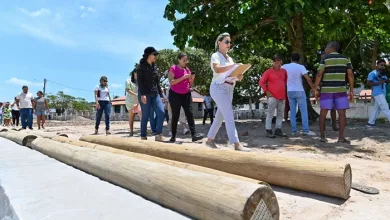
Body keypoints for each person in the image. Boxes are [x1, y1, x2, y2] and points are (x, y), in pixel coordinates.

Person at [205, 33, 249, 151]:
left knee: (220, 116)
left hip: (229, 88)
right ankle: (236, 143)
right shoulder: (216, 55)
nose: (229, 44)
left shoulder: (230, 59)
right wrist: (233, 67)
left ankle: (209, 140)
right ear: (219, 42)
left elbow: (231, 75)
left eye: (230, 42)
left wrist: (238, 76)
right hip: (218, 87)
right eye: (226, 42)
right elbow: (217, 69)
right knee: (229, 115)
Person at [314, 41, 354, 143]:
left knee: (323, 113)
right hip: (340, 89)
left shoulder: (325, 59)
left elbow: (319, 74)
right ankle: (341, 137)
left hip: (327, 90)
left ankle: (323, 137)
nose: (325, 49)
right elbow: (350, 74)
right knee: (342, 113)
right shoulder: (345, 59)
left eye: (326, 47)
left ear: (331, 48)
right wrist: (351, 90)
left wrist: (315, 89)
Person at [167, 52, 204, 142]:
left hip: (186, 94)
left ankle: (194, 135)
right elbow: (171, 82)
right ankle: (173, 136)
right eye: (184, 60)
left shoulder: (187, 70)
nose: (185, 62)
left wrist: (192, 79)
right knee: (175, 115)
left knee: (189, 114)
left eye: (186, 60)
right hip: (175, 94)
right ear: (179, 60)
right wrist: (183, 78)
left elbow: (189, 84)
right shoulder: (173, 68)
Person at [282, 53, 316, 136]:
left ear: (291, 59)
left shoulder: (284, 66)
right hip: (299, 90)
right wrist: (314, 89)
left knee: (292, 111)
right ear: (298, 59)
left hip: (289, 91)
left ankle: (294, 130)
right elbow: (308, 79)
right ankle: (305, 130)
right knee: (304, 111)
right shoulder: (301, 67)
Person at [137, 46, 165, 141]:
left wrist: (161, 95)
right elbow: (140, 82)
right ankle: (143, 136)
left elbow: (157, 83)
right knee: (146, 115)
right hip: (145, 93)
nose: (156, 56)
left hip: (155, 94)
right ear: (149, 55)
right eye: (154, 54)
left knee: (161, 112)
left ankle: (158, 134)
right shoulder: (141, 67)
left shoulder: (155, 67)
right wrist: (143, 94)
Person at [259, 54, 288, 138]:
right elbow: (261, 82)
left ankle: (278, 129)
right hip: (272, 96)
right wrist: (266, 91)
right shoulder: (268, 71)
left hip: (282, 96)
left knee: (280, 114)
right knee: (270, 114)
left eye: (278, 60)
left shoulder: (284, 71)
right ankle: (268, 130)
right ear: (272, 62)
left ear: (281, 61)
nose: (276, 62)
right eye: (275, 60)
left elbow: (285, 82)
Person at [367, 59, 390, 126]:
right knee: (385, 108)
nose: (383, 66)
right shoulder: (372, 73)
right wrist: (379, 82)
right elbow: (368, 83)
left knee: (377, 109)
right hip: (378, 93)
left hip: (382, 93)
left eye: (384, 65)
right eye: (381, 65)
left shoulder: (383, 74)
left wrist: (386, 79)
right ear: (377, 65)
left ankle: (370, 123)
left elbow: (387, 82)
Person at [126, 69, 142, 136]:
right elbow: (128, 90)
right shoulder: (128, 80)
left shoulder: (140, 81)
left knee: (142, 116)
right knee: (131, 117)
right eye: (137, 73)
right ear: (134, 73)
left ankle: (143, 131)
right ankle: (131, 131)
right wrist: (136, 94)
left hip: (138, 102)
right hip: (130, 101)